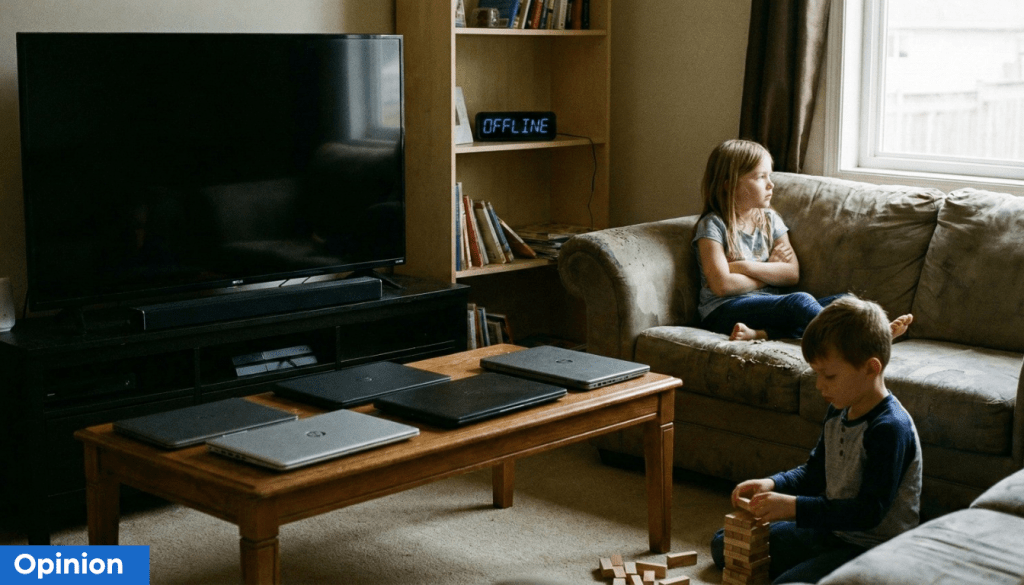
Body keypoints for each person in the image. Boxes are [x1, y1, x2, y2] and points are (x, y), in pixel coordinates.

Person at [710, 295, 923, 584]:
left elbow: (868, 512)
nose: (820, 385)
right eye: (817, 374)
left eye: (830, 376)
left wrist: (794, 508)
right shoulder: (838, 410)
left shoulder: (889, 428)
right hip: (831, 529)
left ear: (871, 368)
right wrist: (773, 484)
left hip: (874, 548)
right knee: (724, 544)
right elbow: (814, 472)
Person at [693, 139, 913, 341]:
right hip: (723, 311)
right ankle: (864, 342)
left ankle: (762, 334)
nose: (771, 185)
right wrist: (770, 272)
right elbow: (722, 285)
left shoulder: (770, 219)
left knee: (846, 301)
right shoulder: (713, 225)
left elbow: (791, 274)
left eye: (769, 176)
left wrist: (743, 267)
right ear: (728, 183)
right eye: (760, 177)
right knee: (799, 303)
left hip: (769, 307)